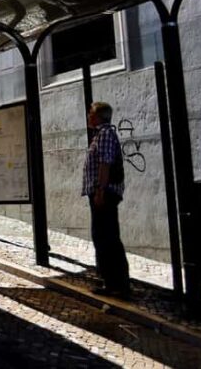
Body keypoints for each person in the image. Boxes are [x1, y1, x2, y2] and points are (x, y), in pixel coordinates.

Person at [83, 102, 130, 297]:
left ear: (99, 116)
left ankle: (118, 284)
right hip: (102, 192)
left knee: (107, 237)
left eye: (91, 113)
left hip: (105, 193)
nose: (88, 115)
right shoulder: (101, 135)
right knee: (102, 236)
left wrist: (101, 191)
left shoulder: (104, 135)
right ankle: (111, 282)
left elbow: (105, 163)